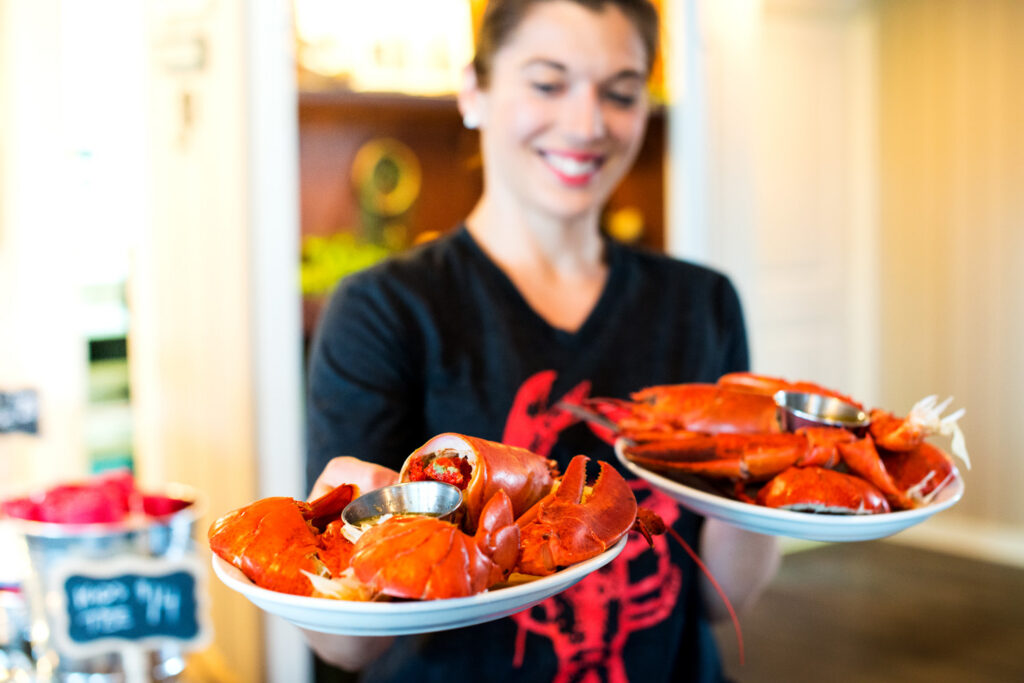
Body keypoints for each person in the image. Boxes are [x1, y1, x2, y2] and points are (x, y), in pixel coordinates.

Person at [303, 0, 780, 680]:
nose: (586, 124)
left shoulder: (704, 304)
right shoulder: (382, 309)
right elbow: (346, 647)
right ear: (475, 92)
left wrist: (758, 480)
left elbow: (720, 598)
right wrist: (333, 562)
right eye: (548, 83)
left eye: (621, 93)